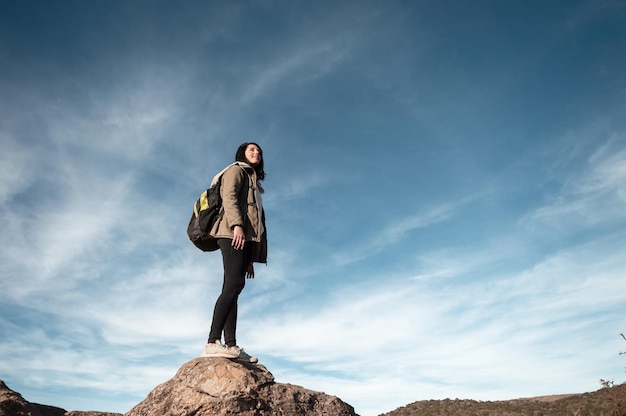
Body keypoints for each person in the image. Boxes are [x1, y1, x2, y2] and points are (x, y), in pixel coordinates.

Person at [201, 142, 267, 362]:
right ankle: (212, 342)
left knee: (233, 287)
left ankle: (230, 345)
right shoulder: (236, 170)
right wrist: (236, 225)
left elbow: (256, 223)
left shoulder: (253, 181)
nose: (256, 152)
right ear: (242, 154)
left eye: (259, 151)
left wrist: (249, 259)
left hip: (240, 238)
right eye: (252, 150)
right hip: (230, 233)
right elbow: (229, 197)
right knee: (234, 285)